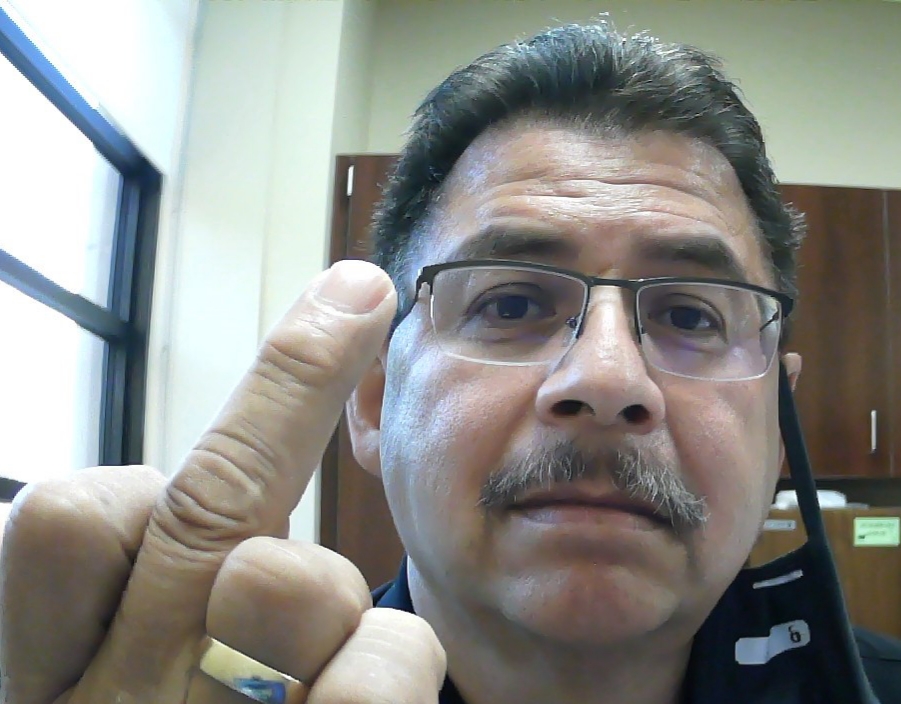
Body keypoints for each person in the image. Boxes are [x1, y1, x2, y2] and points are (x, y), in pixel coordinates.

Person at [1, 21, 899, 704]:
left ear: (776, 426)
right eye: (509, 304)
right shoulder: (223, 687)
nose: (606, 379)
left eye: (690, 315)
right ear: (373, 402)